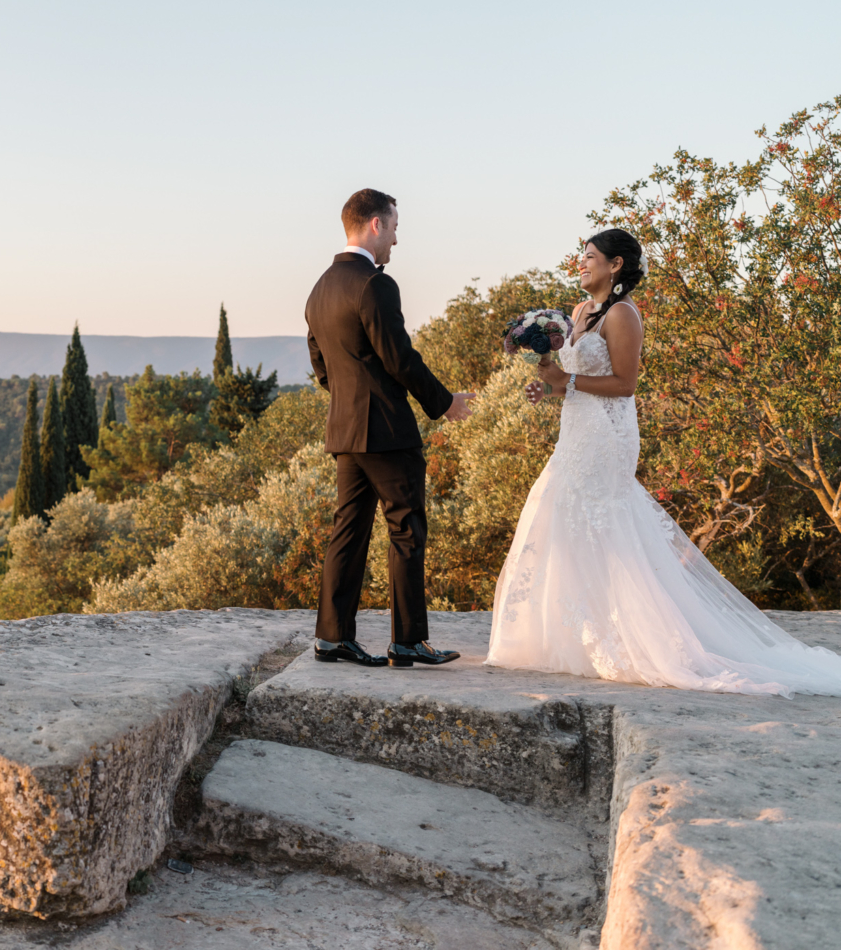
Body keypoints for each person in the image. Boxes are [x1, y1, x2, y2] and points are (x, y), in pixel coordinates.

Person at [487, 228, 841, 697]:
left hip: (608, 436)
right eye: (581, 257)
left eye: (590, 257)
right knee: (559, 511)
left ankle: (634, 638)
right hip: (576, 432)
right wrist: (548, 386)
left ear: (615, 265)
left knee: (600, 518)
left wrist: (565, 382)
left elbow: (624, 384)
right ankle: (572, 637)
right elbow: (572, 379)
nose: (581, 264)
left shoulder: (623, 314)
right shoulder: (578, 312)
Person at [305, 188, 475, 668]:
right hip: (386, 430)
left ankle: (332, 637)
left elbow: (321, 367)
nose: (397, 240)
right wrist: (445, 404)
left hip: (344, 433)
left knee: (348, 531)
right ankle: (407, 641)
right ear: (375, 225)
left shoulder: (320, 288)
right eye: (395, 227)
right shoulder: (376, 284)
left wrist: (349, 401)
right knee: (406, 529)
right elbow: (399, 357)